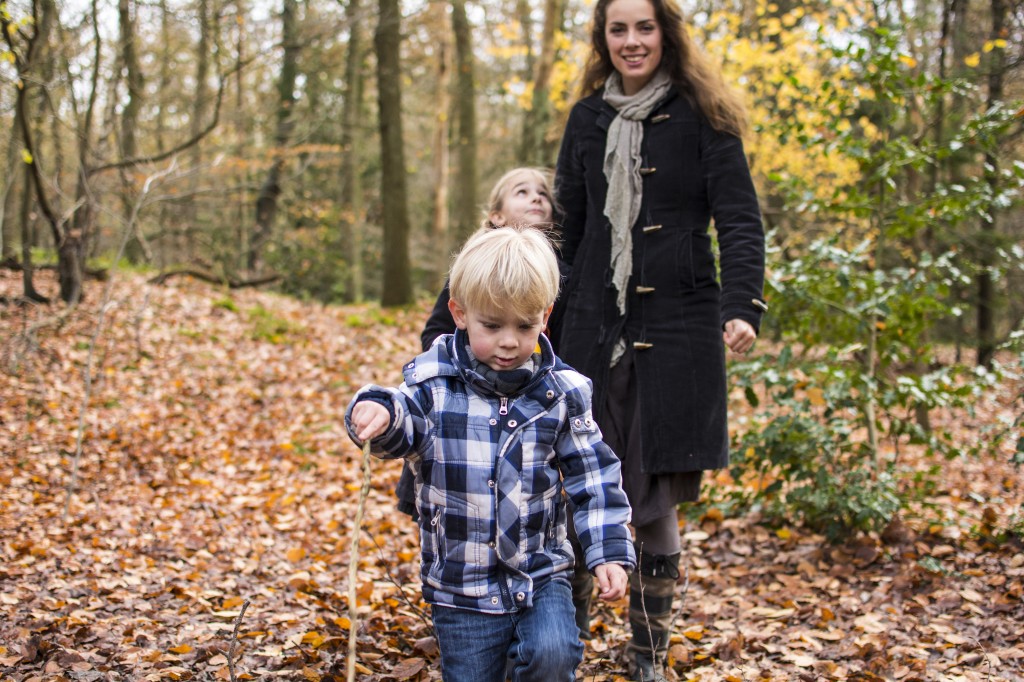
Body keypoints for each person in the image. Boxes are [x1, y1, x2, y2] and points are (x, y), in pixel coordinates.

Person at [553, 0, 767, 678]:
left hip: (679, 329)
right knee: (577, 487)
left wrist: (744, 307)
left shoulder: (705, 116)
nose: (631, 40)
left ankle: (645, 657)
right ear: (603, 38)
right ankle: (571, 637)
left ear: (665, 34)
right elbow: (567, 230)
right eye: (618, 28)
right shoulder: (587, 118)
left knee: (655, 501)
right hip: (591, 326)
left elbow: (738, 219)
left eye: (644, 27)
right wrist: (540, 321)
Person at [346, 225, 636, 682]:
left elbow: (594, 476)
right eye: (492, 325)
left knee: (554, 654)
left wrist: (608, 552)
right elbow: (403, 420)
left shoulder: (561, 394)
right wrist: (379, 412)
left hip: (540, 574)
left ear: (546, 315)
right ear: (459, 313)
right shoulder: (433, 385)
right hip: (462, 584)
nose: (508, 341)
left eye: (525, 326)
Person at [396, 167, 564, 519]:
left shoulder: (562, 272)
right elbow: (435, 331)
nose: (536, 197)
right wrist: (468, 354)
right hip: (468, 401)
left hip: (533, 399)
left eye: (543, 193)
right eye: (521, 191)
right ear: (496, 215)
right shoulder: (475, 270)